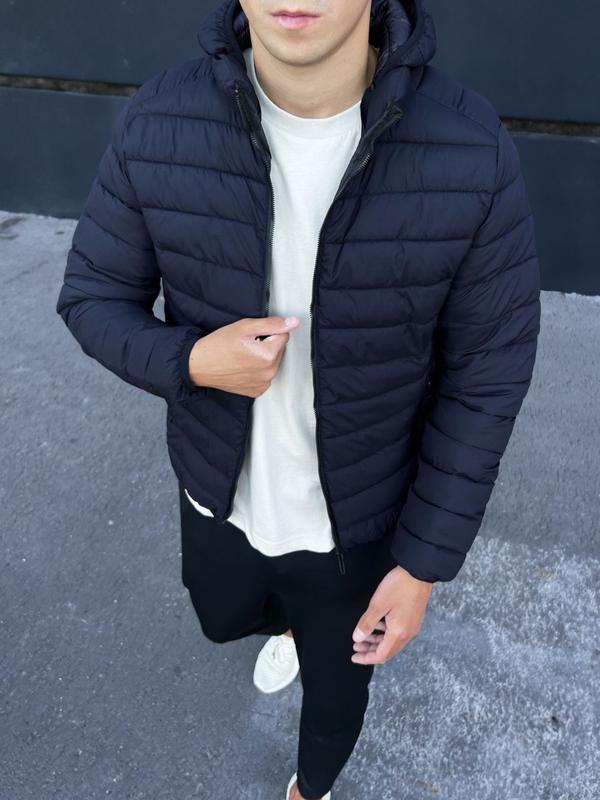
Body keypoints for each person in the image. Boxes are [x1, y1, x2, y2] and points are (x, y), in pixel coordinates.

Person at [55, 0, 541, 797]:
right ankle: (277, 619)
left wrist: (422, 564)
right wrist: (193, 360)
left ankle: (308, 789)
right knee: (220, 614)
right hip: (217, 493)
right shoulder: (159, 120)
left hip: (361, 525)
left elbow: (486, 374)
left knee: (336, 697)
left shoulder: (470, 148)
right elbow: (92, 297)